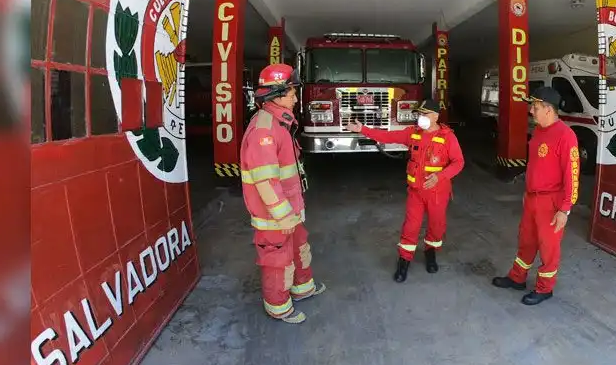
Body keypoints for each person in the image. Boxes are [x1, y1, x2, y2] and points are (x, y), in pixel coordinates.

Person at [239, 63, 324, 324]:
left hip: (289, 209)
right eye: (291, 93)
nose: (296, 98)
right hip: (275, 214)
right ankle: (278, 307)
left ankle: (303, 288)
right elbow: (265, 181)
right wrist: (284, 215)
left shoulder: (281, 124)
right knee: (278, 260)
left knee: (299, 248)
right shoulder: (265, 129)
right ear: (276, 94)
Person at [347, 98, 464, 282]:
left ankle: (430, 252)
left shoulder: (448, 137)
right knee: (410, 226)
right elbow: (388, 136)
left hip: (437, 193)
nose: (420, 118)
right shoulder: (413, 133)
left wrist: (440, 176)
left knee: (437, 225)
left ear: (435, 116)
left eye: (424, 114)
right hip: (416, 192)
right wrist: (363, 129)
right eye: (419, 114)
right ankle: (404, 261)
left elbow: (459, 162)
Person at [491, 86, 580, 305]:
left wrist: (565, 210)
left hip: (551, 202)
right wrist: (527, 191)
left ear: (549, 110)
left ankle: (544, 288)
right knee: (526, 241)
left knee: (548, 247)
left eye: (536, 107)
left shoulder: (566, 136)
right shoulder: (539, 131)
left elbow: (573, 176)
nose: (532, 111)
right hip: (532, 198)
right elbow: (535, 165)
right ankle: (517, 277)